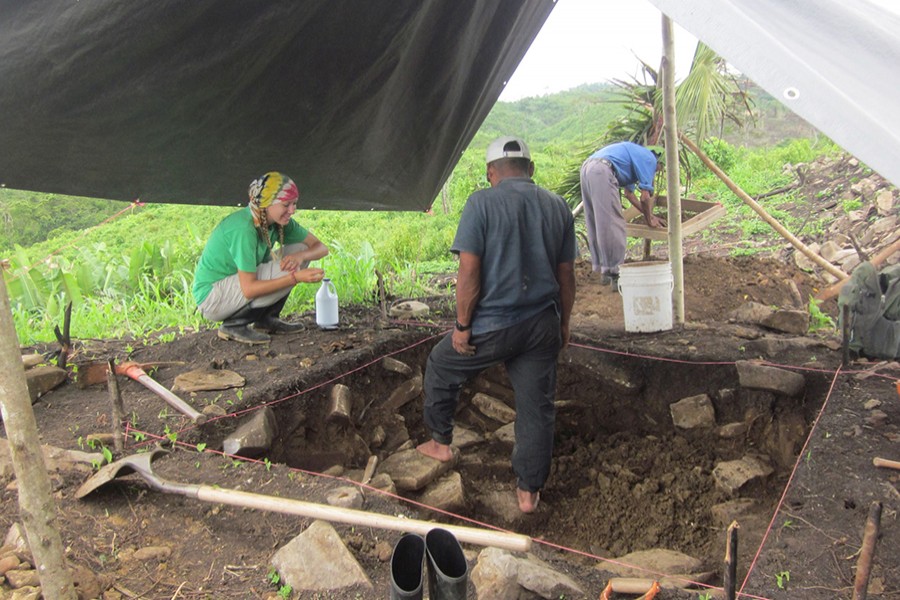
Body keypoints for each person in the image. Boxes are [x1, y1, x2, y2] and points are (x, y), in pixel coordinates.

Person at [416, 136, 577, 514]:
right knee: (536, 407)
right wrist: (564, 324)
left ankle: (440, 442)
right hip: (542, 325)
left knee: (441, 364)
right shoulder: (557, 206)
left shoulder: (480, 203)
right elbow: (566, 276)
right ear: (530, 169)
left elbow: (469, 271)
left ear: (491, 173)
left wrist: (461, 325)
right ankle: (528, 492)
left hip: (493, 325)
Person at [192, 171, 329, 344]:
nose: (292, 210)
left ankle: (266, 319)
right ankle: (234, 325)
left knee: (300, 249)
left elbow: (321, 248)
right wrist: (295, 277)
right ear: (266, 203)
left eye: (294, 204)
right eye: (286, 204)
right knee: (289, 269)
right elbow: (249, 289)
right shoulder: (244, 229)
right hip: (213, 297)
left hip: (235, 286)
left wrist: (301, 256)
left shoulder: (276, 221)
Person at [580, 141, 666, 288]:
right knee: (613, 223)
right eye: (659, 170)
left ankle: (604, 270)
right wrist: (649, 220)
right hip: (602, 170)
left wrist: (650, 215)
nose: (656, 172)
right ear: (660, 162)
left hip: (587, 168)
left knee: (597, 221)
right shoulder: (650, 160)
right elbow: (645, 198)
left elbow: (629, 194)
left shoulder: (635, 157)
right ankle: (616, 274)